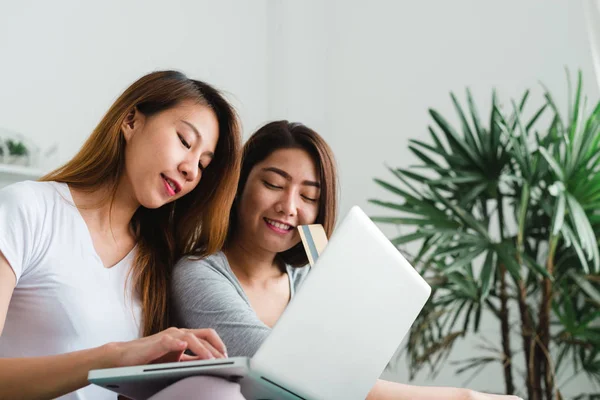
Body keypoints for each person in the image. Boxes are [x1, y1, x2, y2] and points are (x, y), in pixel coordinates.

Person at [172, 120, 524, 400]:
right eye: (274, 184)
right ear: (238, 185)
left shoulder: (310, 278)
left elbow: (350, 372)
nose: (290, 206)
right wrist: (462, 398)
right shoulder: (197, 275)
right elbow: (294, 373)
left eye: (309, 195)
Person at [0, 70, 244, 399]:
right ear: (131, 120)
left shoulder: (155, 263)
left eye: (203, 164)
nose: (190, 169)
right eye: (185, 141)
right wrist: (113, 358)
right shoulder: (27, 208)